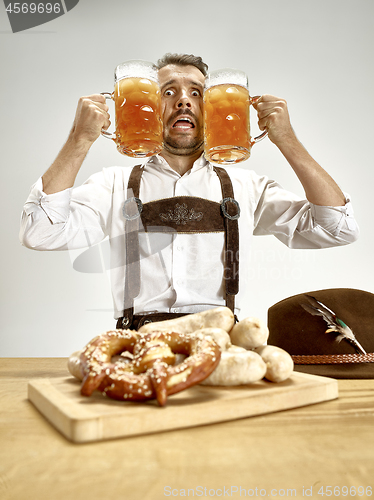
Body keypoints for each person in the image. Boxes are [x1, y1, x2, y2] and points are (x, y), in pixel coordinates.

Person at [20, 53, 359, 329]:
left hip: (224, 342)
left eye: (196, 92)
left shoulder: (245, 186)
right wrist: (79, 140)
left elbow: (337, 228)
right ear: (149, 106)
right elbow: (40, 232)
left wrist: (287, 139)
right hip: (137, 345)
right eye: (168, 92)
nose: (183, 101)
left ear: (211, 108)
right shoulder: (113, 184)